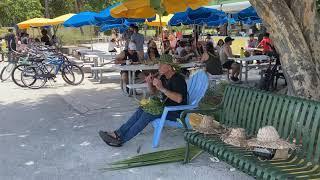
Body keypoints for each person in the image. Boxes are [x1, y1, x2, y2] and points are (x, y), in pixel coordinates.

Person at [98, 55, 188, 147]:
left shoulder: (178, 79)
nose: (159, 66)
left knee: (147, 114)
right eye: (159, 64)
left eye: (161, 64)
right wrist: (149, 83)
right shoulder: (164, 77)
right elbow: (153, 92)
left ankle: (122, 139)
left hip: (176, 111)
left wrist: (162, 88)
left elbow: (178, 99)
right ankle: (117, 133)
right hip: (165, 108)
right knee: (142, 109)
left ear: (169, 67)